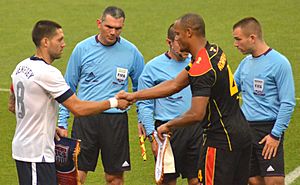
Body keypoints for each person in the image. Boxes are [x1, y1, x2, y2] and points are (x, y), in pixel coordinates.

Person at [117, 13, 253, 185]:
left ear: (189, 33)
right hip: (241, 132)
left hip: (221, 140)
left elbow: (196, 114)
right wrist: (134, 96)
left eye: (178, 34)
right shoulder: (213, 51)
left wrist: (168, 125)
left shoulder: (201, 68)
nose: (176, 39)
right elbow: (175, 84)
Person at [9, 20, 130, 185]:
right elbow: (77, 108)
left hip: (24, 148)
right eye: (59, 39)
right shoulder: (48, 73)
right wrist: (114, 102)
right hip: (37, 153)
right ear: (46, 42)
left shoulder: (21, 67)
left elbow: (12, 105)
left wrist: (48, 127)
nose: (64, 44)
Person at [57, 6, 144, 185]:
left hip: (115, 122)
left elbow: (140, 89)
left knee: (115, 179)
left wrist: (142, 119)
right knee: (77, 175)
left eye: (118, 28)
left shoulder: (132, 52)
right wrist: (62, 121)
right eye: (109, 27)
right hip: (85, 119)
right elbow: (67, 88)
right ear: (99, 23)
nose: (113, 32)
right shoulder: (82, 49)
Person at [233, 17, 296, 185]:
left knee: (273, 181)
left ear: (252, 38)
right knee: (253, 180)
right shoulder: (245, 63)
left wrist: (275, 135)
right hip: (246, 130)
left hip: (268, 130)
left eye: (238, 39)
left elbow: (288, 102)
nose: (235, 44)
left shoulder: (279, 63)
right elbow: (230, 90)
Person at [137, 23, 202, 185]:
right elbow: (144, 105)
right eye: (179, 43)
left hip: (195, 128)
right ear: (169, 42)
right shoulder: (152, 68)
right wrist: (152, 137)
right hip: (166, 132)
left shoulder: (197, 64)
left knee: (198, 180)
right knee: (168, 181)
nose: (184, 47)